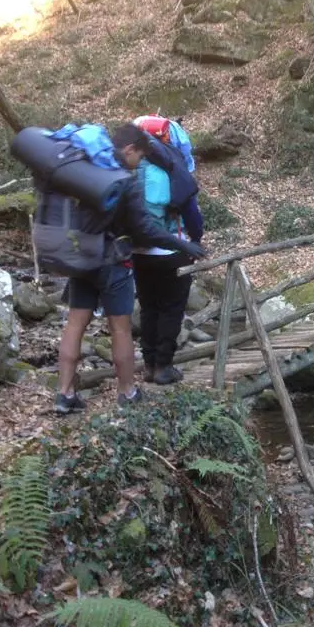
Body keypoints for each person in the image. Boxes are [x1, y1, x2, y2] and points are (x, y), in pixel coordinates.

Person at [54, 146, 205, 415]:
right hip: (120, 260)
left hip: (85, 258)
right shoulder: (132, 178)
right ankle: (131, 388)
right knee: (126, 326)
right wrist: (187, 243)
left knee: (77, 323)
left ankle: (65, 393)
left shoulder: (86, 177)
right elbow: (146, 227)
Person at [111, 123, 203, 385]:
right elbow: (192, 214)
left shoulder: (129, 167)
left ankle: (149, 364)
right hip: (172, 249)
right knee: (171, 309)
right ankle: (163, 366)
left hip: (138, 250)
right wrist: (194, 240)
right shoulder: (172, 169)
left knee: (149, 307)